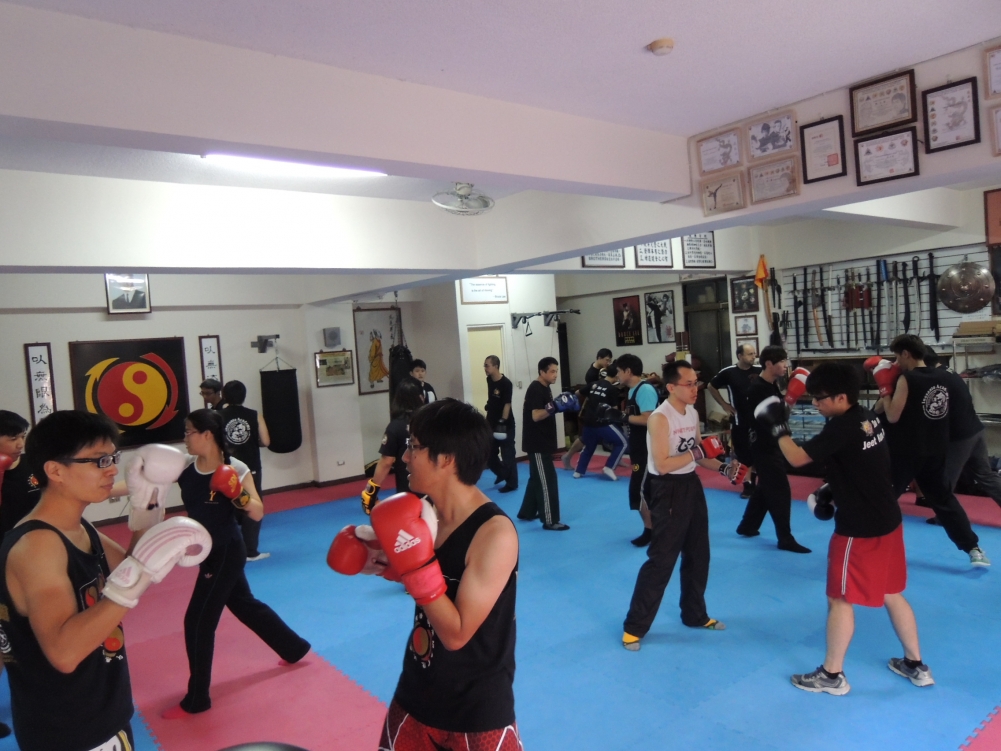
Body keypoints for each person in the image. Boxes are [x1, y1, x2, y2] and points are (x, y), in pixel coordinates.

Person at [0, 410, 211, 749]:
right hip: (67, 730)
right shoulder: (38, 547)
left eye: (113, 458)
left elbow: (131, 566)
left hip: (104, 710)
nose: (112, 469)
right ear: (55, 471)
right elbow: (64, 653)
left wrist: (149, 501)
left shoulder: (79, 527)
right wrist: (136, 578)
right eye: (99, 460)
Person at [330, 399, 522, 749]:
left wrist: (414, 567)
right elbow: (434, 585)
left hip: (477, 710)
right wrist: (386, 565)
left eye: (414, 447)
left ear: (446, 459)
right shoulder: (424, 513)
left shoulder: (495, 534)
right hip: (416, 693)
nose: (404, 457)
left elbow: (457, 634)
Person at [760, 361, 933, 695]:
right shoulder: (868, 417)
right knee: (891, 592)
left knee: (839, 598)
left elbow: (796, 458)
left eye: (820, 398)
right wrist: (833, 488)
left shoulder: (841, 427)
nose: (816, 404)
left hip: (859, 530)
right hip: (888, 521)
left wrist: (778, 428)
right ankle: (915, 665)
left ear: (841, 397)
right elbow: (869, 463)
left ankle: (831, 675)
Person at [162, 409, 310, 717]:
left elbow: (257, 511)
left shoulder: (235, 467)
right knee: (244, 604)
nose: (185, 438)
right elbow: (146, 480)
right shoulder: (186, 466)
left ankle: (197, 698)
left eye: (189, 432)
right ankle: (293, 647)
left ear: (206, 435)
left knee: (198, 621)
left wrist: (237, 494)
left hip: (226, 551)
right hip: (204, 550)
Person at [622, 360, 737, 652]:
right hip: (666, 489)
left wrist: (724, 468)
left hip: (690, 485)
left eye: (696, 382)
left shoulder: (692, 412)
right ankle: (634, 627)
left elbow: (700, 455)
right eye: (689, 384)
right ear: (672, 387)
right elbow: (662, 464)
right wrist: (697, 452)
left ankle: (694, 614)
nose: (695, 388)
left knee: (699, 554)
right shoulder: (660, 418)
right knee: (662, 559)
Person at [872, 335, 988, 567]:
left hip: (906, 452)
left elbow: (891, 415)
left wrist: (885, 389)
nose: (896, 361)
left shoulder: (907, 378)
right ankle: (974, 549)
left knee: (883, 498)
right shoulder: (944, 375)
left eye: (897, 356)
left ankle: (867, 545)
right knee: (944, 500)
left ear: (906, 353)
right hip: (936, 450)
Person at [738, 346, 811, 553]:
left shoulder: (771, 386)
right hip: (764, 446)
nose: (786, 366)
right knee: (780, 490)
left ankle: (748, 525)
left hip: (772, 444)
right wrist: (791, 397)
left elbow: (780, 416)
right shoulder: (757, 389)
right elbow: (773, 419)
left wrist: (790, 397)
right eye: (782, 362)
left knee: (765, 488)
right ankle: (785, 538)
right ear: (769, 364)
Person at [519, 357, 576, 531]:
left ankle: (527, 512)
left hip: (543, 441)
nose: (555, 374)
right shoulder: (535, 389)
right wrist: (554, 407)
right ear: (542, 371)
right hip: (537, 444)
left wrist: (556, 406)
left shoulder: (545, 388)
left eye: (556, 371)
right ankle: (550, 520)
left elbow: (547, 411)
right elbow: (536, 415)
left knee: (536, 478)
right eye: (552, 371)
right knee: (547, 480)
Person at [221, 380, 272, 561]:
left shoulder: (217, 416)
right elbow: (266, 441)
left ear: (224, 396)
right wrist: (253, 442)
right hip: (250, 466)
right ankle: (250, 551)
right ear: (244, 396)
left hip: (226, 467)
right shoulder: (254, 415)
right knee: (252, 504)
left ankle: (229, 549)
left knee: (226, 505)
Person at [361, 377, 425, 515]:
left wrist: (372, 490)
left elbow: (386, 462)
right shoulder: (431, 423)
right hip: (434, 488)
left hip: (408, 490)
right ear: (420, 397)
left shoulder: (395, 427)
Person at [616, 355, 660, 547]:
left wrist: (623, 418)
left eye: (619, 371)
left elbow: (649, 419)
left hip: (647, 449)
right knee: (646, 490)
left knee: (638, 490)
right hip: (638, 447)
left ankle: (651, 531)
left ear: (628, 371)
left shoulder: (645, 390)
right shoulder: (632, 390)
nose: (617, 375)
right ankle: (655, 528)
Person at [708, 344, 761, 499]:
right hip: (739, 420)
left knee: (758, 453)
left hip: (759, 420)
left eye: (754, 353)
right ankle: (748, 485)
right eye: (750, 354)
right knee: (744, 454)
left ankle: (757, 483)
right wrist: (724, 404)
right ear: (740, 356)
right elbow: (711, 386)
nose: (753, 356)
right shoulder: (728, 372)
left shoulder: (760, 370)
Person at [563, 348, 613, 471]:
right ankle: (568, 456)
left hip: (600, 407)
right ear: (599, 358)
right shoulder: (591, 374)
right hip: (592, 408)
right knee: (585, 437)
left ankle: (616, 456)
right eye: (606, 360)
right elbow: (591, 392)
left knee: (608, 432)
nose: (608, 363)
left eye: (609, 361)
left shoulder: (602, 370)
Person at [573, 365, 627, 481]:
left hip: (588, 422)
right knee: (623, 443)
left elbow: (577, 392)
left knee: (589, 447)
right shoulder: (612, 389)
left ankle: (578, 471)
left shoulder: (594, 384)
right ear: (616, 376)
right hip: (602, 424)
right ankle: (609, 467)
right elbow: (614, 410)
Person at [0, 410, 41, 538]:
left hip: (36, 538)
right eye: (13, 439)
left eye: (23, 437)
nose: (21, 445)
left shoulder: (33, 462)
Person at [484, 355, 517, 493]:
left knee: (508, 454)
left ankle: (512, 483)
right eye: (485, 366)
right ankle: (502, 473)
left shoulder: (506, 383)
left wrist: (502, 421)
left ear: (496, 366)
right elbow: (492, 397)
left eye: (487, 365)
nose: (485, 368)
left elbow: (507, 404)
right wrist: (489, 405)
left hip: (505, 424)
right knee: (489, 453)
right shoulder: (489, 380)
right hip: (491, 422)